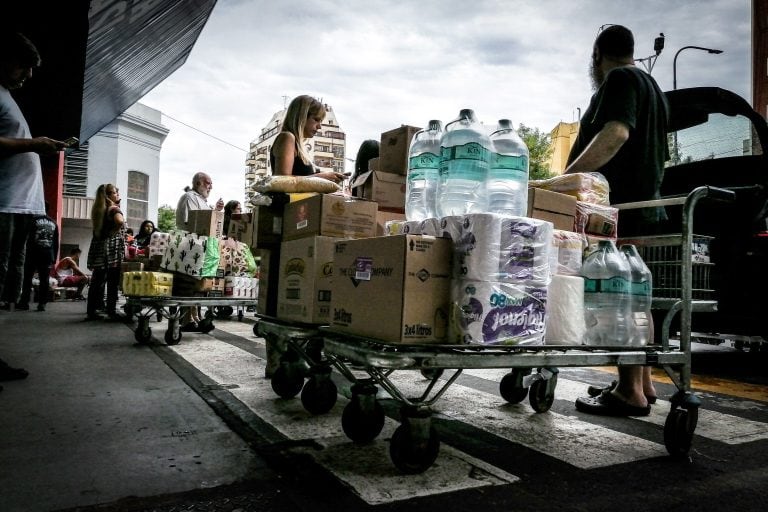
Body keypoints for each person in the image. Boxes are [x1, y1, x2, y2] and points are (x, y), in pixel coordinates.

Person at [565, 25, 669, 417]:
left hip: (619, 210)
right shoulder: (653, 88)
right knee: (637, 295)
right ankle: (643, 383)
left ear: (597, 55)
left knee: (618, 295)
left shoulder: (621, 78)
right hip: (645, 206)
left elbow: (617, 133)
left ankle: (629, 392)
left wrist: (570, 180)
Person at [0, 32, 67, 311]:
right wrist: (33, 143)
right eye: (23, 65)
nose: (28, 74)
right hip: (5, 203)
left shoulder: (7, 96)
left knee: (8, 277)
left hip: (20, 206)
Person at [175, 172, 223, 332]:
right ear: (198, 183)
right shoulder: (189, 197)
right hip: (190, 246)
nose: (211, 186)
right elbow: (193, 222)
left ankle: (195, 317)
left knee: (198, 286)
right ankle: (187, 320)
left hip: (201, 247)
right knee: (188, 285)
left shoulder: (201, 200)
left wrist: (215, 210)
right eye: (208, 183)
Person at [270, 95, 344, 184]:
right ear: (301, 117)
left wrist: (328, 175)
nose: (319, 126)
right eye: (316, 119)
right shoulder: (287, 137)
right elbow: (282, 181)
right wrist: (320, 177)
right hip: (288, 198)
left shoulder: (297, 144)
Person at [86, 184, 126, 321]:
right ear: (109, 195)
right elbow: (120, 222)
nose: (117, 195)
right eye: (115, 192)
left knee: (97, 282)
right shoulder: (113, 209)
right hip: (112, 251)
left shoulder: (99, 211)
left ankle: (91, 311)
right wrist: (114, 232)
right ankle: (111, 311)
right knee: (112, 282)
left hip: (100, 250)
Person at [17, 202, 59, 311]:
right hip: (47, 254)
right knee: (44, 280)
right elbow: (55, 242)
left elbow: (28, 238)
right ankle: (42, 304)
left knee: (27, 278)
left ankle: (24, 302)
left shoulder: (32, 221)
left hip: (32, 253)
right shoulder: (54, 223)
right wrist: (54, 257)